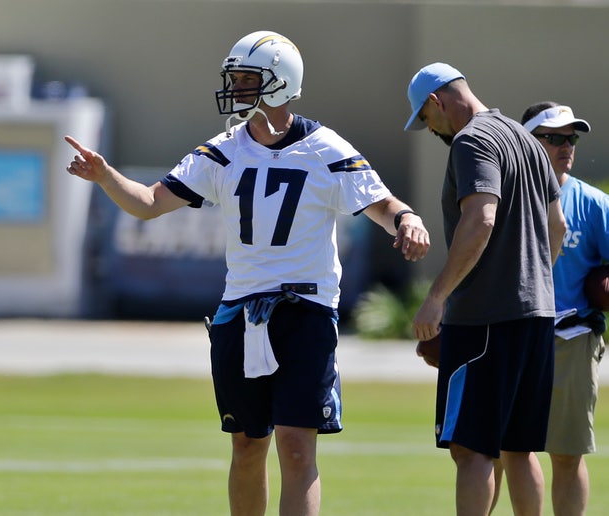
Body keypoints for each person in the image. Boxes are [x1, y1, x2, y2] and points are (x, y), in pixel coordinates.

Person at [66, 31, 430, 515]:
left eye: (245, 78)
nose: (235, 88)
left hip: (306, 309)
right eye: (235, 78)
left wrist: (408, 220)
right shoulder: (223, 149)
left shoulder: (324, 147)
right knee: (246, 445)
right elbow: (151, 203)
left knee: (297, 446)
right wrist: (105, 175)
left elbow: (381, 204)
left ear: (280, 83)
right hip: (240, 313)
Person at [404, 62, 567, 516]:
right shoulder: (525, 140)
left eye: (425, 118)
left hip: (486, 320)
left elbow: (482, 218)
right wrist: (533, 282)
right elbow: (558, 226)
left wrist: (436, 297)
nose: (429, 127)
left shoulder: (471, 140)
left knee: (471, 448)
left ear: (436, 102)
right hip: (536, 316)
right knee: (520, 448)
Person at [518, 102, 608, 516]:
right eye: (553, 137)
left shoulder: (593, 203)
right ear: (526, 141)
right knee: (512, 449)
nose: (565, 146)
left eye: (570, 138)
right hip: (513, 336)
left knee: (568, 454)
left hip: (572, 337)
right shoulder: (500, 196)